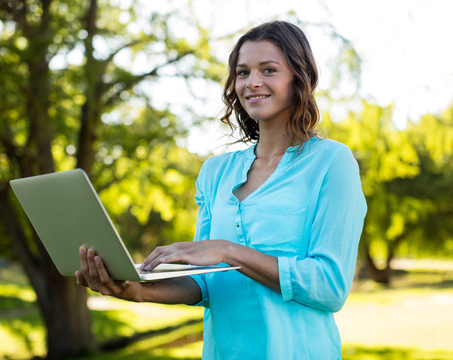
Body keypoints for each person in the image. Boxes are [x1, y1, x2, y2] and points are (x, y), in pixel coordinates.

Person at [76, 20, 366, 360]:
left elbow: (329, 285)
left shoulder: (332, 162)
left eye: (268, 70)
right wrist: (138, 291)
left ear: (300, 78)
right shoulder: (215, 172)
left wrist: (229, 251)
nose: (252, 82)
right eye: (243, 73)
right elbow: (204, 284)